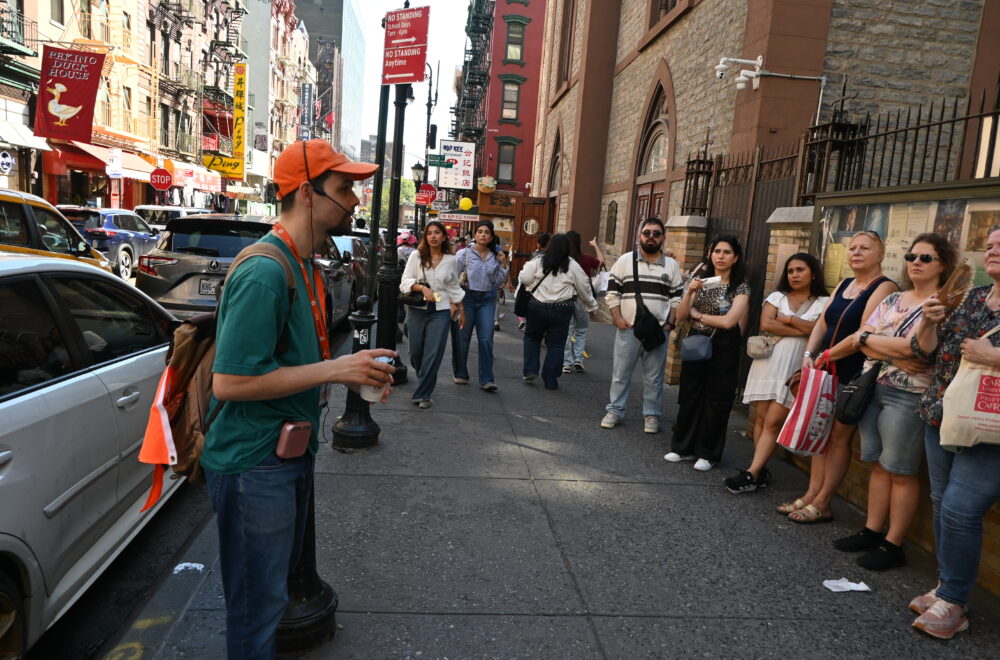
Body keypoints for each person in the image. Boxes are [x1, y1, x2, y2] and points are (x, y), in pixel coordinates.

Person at [201, 139, 396, 659]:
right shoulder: (267, 270)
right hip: (254, 463)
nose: (356, 200)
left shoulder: (304, 266)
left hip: (284, 458)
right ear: (307, 194)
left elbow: (286, 364)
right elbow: (231, 383)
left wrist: (348, 376)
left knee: (268, 600)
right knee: (257, 609)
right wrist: (336, 368)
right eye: (344, 188)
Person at [831, 234, 952, 570]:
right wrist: (881, 344)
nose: (916, 262)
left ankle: (892, 544)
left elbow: (923, 351)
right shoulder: (895, 298)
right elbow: (862, 340)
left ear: (942, 264)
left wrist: (877, 342)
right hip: (874, 388)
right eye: (912, 255)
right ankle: (871, 530)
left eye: (926, 258)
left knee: (901, 470)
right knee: (877, 464)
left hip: (909, 394)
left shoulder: (942, 305)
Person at [907, 225, 1000, 639]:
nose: (993, 251)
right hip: (943, 414)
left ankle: (955, 602)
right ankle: (947, 587)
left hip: (990, 427)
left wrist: (993, 357)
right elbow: (926, 350)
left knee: (961, 511)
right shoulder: (974, 297)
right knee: (944, 502)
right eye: (991, 245)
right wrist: (927, 323)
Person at [781, 231, 898, 523]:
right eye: (852, 248)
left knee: (838, 437)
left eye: (865, 248)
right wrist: (809, 355)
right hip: (825, 367)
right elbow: (822, 322)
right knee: (821, 432)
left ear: (880, 254)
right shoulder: (845, 284)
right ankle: (810, 493)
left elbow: (863, 334)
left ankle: (824, 501)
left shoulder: (885, 287)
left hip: (852, 370)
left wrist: (826, 356)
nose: (856, 253)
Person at [724, 253, 828, 493]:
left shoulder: (824, 301)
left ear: (813, 273)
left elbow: (819, 330)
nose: (794, 275)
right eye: (790, 271)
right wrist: (803, 328)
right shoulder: (776, 296)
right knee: (761, 418)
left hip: (794, 368)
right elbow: (767, 324)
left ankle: (752, 473)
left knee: (773, 421)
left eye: (800, 270)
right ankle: (759, 470)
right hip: (768, 364)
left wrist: (789, 319)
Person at [667, 235, 751, 471]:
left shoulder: (740, 287)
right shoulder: (700, 280)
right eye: (716, 252)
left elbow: (729, 322)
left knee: (717, 399)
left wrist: (699, 315)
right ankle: (682, 448)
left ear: (735, 258)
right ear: (710, 254)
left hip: (723, 346)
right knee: (690, 395)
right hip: (696, 343)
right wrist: (689, 294)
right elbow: (681, 315)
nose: (720, 256)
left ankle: (708, 453)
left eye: (726, 252)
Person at [600, 218, 684, 433]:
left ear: (663, 237)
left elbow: (676, 299)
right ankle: (615, 411)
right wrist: (617, 318)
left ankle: (651, 415)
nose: (651, 237)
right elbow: (612, 292)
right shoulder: (625, 261)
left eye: (657, 233)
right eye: (647, 232)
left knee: (654, 378)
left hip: (657, 331)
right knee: (621, 373)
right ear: (640, 236)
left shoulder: (672, 266)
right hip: (628, 328)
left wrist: (669, 325)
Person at [519, 233, 598, 389]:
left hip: (537, 305)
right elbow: (584, 286)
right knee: (556, 344)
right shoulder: (573, 265)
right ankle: (550, 379)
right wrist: (591, 305)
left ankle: (531, 370)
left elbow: (525, 279)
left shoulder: (538, 261)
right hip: (562, 308)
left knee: (532, 337)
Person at [400, 221, 465, 409]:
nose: (433, 236)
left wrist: (461, 309)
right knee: (416, 352)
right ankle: (424, 378)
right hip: (417, 309)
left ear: (444, 236)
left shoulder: (451, 259)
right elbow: (405, 281)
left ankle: (424, 393)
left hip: (441, 310)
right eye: (430, 233)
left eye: (437, 233)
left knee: (433, 353)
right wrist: (421, 288)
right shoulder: (416, 255)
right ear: (425, 237)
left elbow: (454, 285)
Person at [453, 220, 509, 391]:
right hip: (467, 298)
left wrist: (504, 265)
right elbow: (453, 278)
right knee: (463, 338)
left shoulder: (496, 255)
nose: (483, 234)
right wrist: (455, 302)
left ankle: (486, 379)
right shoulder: (464, 254)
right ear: (475, 235)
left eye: (487, 232)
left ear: (491, 236)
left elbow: (499, 281)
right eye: (480, 231)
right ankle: (460, 373)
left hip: (487, 299)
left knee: (486, 339)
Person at [562, 231, 604, 374]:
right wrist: (595, 246)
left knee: (567, 331)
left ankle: (566, 362)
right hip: (582, 299)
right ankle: (578, 359)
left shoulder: (563, 261)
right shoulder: (585, 259)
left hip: (566, 299)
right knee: (581, 330)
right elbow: (601, 263)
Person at [517, 232, 551, 331]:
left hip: (534, 291)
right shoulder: (554, 257)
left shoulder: (535, 256)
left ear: (539, 244)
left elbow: (526, 277)